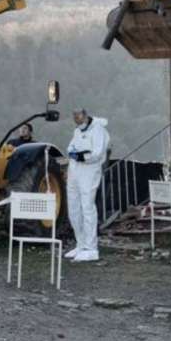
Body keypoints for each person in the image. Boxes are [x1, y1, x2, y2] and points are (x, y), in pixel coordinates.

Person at [65, 108, 109, 262]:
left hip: (89, 172)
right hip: (74, 171)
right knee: (73, 208)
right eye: (74, 117)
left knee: (87, 207)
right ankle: (81, 243)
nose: (76, 120)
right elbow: (70, 148)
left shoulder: (98, 130)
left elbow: (97, 153)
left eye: (78, 117)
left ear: (85, 115)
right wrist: (75, 154)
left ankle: (91, 248)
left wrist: (81, 156)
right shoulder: (77, 131)